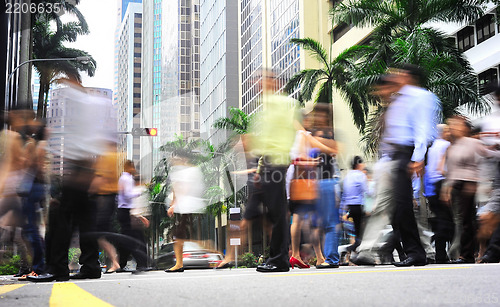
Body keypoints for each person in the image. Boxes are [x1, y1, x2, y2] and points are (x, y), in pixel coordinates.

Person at [28, 78, 111, 282]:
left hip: (79, 168)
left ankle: (58, 269)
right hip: (86, 168)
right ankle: (91, 266)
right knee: (85, 222)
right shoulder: (100, 105)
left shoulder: (85, 103)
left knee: (60, 220)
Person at [379, 64, 439, 267]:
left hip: (408, 153)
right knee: (397, 207)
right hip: (396, 156)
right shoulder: (399, 98)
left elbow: (422, 129)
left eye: (399, 73)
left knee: (403, 206)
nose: (395, 77)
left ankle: (416, 253)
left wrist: (418, 158)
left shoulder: (421, 97)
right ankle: (413, 252)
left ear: (409, 76)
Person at [441, 115, 500, 264]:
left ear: (465, 128)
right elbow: (450, 171)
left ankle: (466, 255)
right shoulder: (453, 146)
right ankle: (466, 254)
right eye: (451, 125)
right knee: (461, 222)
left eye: (457, 124)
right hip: (456, 186)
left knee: (468, 222)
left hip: (469, 185)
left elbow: (489, 155)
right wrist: (446, 189)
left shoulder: (473, 143)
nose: (454, 127)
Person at [165, 154, 206, 272]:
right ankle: (179, 264)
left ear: (184, 159)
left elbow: (185, 188)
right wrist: (173, 204)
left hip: (188, 206)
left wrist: (174, 205)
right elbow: (175, 189)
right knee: (178, 236)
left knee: (178, 236)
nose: (174, 162)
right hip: (181, 207)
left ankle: (179, 264)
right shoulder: (177, 172)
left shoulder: (191, 171)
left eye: (176, 159)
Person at [423, 124, 453, 263]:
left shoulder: (432, 148)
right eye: (447, 130)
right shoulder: (446, 145)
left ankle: (441, 253)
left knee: (442, 219)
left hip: (432, 188)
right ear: (443, 132)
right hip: (443, 184)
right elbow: (444, 169)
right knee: (447, 221)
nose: (449, 132)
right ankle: (444, 252)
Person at [91, 141, 121, 273]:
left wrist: (89, 191)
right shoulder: (116, 157)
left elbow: (100, 178)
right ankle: (115, 262)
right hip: (109, 198)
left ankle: (115, 262)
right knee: (102, 234)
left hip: (104, 199)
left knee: (99, 235)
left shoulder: (107, 157)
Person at [117, 160, 149, 272]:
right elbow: (127, 194)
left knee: (128, 239)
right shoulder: (127, 178)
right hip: (125, 210)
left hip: (125, 210)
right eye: (132, 167)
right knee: (132, 239)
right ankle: (141, 264)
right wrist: (139, 192)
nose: (134, 169)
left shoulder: (124, 178)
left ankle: (122, 264)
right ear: (128, 167)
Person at [341, 156, 368, 254]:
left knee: (356, 231)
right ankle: (353, 248)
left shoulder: (347, 176)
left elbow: (344, 194)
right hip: (358, 206)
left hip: (350, 207)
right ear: (358, 164)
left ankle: (354, 250)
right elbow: (366, 191)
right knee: (360, 231)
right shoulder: (360, 175)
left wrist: (344, 210)